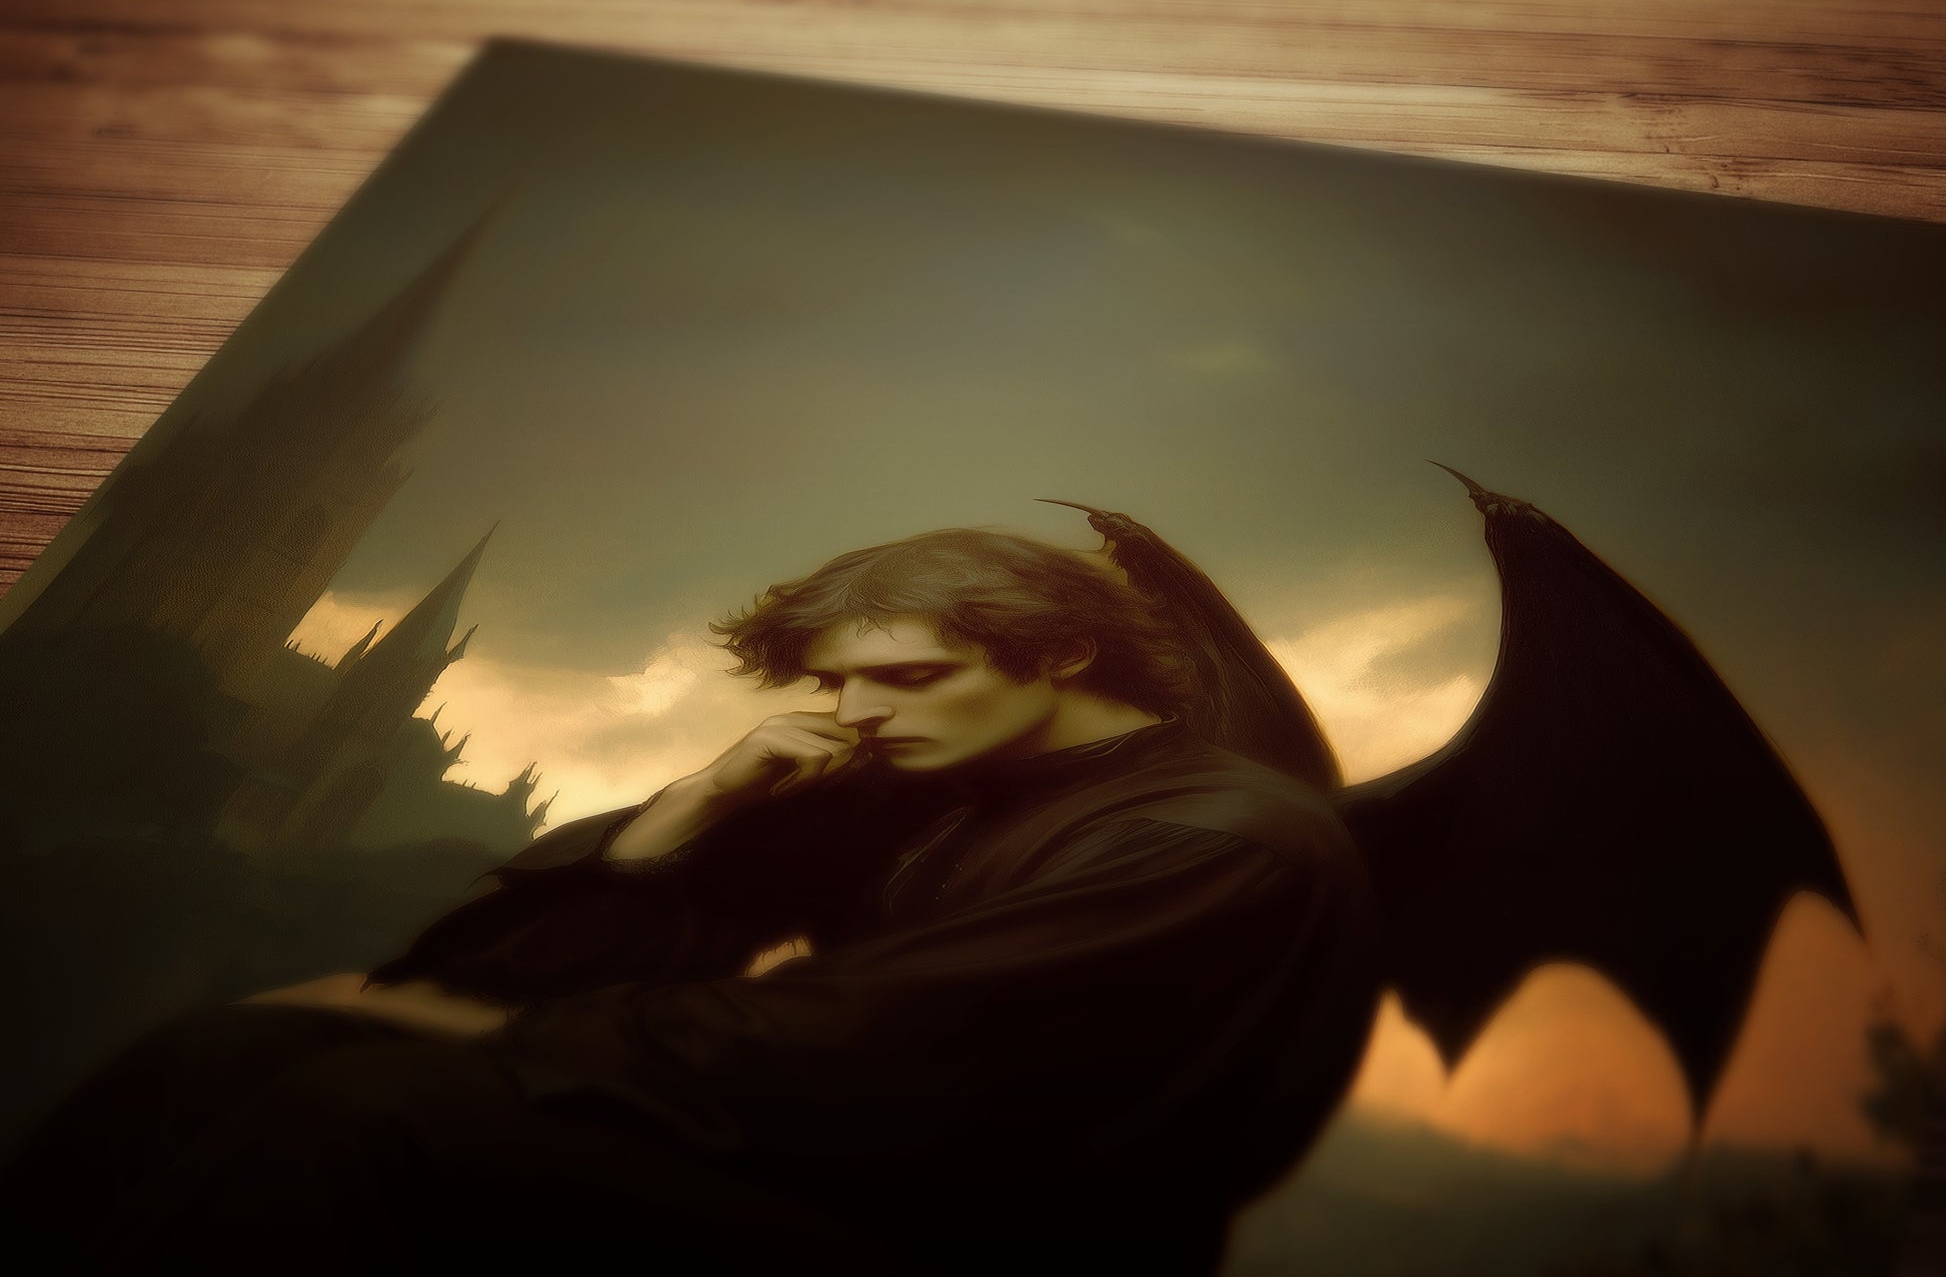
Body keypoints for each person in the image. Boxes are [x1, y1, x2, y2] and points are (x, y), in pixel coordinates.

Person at [2, 528, 1381, 1275]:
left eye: (905, 678)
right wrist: (695, 809)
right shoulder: (927, 781)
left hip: (966, 1235)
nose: (856, 713)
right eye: (836, 682)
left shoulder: (1215, 838)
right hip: (824, 1157)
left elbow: (869, 1050)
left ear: (1064, 654)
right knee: (225, 1054)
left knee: (362, 1112)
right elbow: (538, 965)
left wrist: (462, 1034)